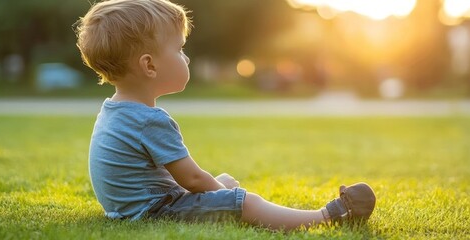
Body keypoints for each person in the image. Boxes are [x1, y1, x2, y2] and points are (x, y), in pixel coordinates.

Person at [75, 0, 376, 231]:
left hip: (132, 208)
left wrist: (221, 191)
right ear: (149, 66)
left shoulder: (114, 111)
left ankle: (250, 203)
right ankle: (325, 217)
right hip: (155, 211)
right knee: (241, 200)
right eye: (180, 50)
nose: (186, 57)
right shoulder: (149, 119)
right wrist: (230, 199)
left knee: (227, 182)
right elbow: (192, 179)